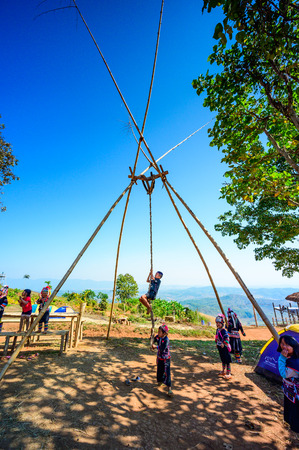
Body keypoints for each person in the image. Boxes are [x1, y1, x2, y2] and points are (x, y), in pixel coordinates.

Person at [277, 335, 299, 433]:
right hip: (289, 390)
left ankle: (295, 428)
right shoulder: (292, 357)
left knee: (295, 411)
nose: (284, 347)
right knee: (290, 407)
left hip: (295, 393)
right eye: (282, 344)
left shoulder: (294, 363)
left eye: (287, 345)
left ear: (293, 346)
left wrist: (282, 358)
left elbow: (283, 373)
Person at [152, 323, 173, 396]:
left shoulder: (166, 340)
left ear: (164, 333)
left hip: (165, 359)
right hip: (159, 358)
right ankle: (160, 381)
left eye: (159, 332)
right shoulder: (158, 337)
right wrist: (151, 337)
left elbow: (161, 348)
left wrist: (155, 347)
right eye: (158, 332)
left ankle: (169, 389)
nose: (158, 333)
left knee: (167, 373)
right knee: (159, 370)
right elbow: (154, 339)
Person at [215, 313, 232, 380]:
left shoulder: (224, 331)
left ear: (222, 323)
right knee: (223, 359)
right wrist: (217, 343)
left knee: (227, 360)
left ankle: (228, 373)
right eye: (217, 323)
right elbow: (217, 337)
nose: (218, 324)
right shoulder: (217, 330)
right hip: (220, 347)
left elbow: (227, 339)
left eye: (219, 323)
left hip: (224, 348)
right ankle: (223, 371)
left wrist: (224, 344)